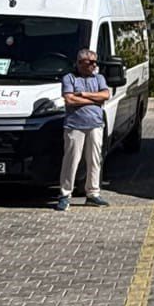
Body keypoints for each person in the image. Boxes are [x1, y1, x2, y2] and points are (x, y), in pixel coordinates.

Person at [56, 49, 111, 211]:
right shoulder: (69, 78)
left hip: (95, 124)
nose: (94, 65)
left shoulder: (99, 78)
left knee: (94, 159)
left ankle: (93, 193)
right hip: (75, 125)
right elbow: (69, 99)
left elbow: (105, 95)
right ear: (80, 63)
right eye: (90, 63)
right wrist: (94, 100)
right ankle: (65, 194)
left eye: (95, 62)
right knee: (71, 160)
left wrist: (84, 94)